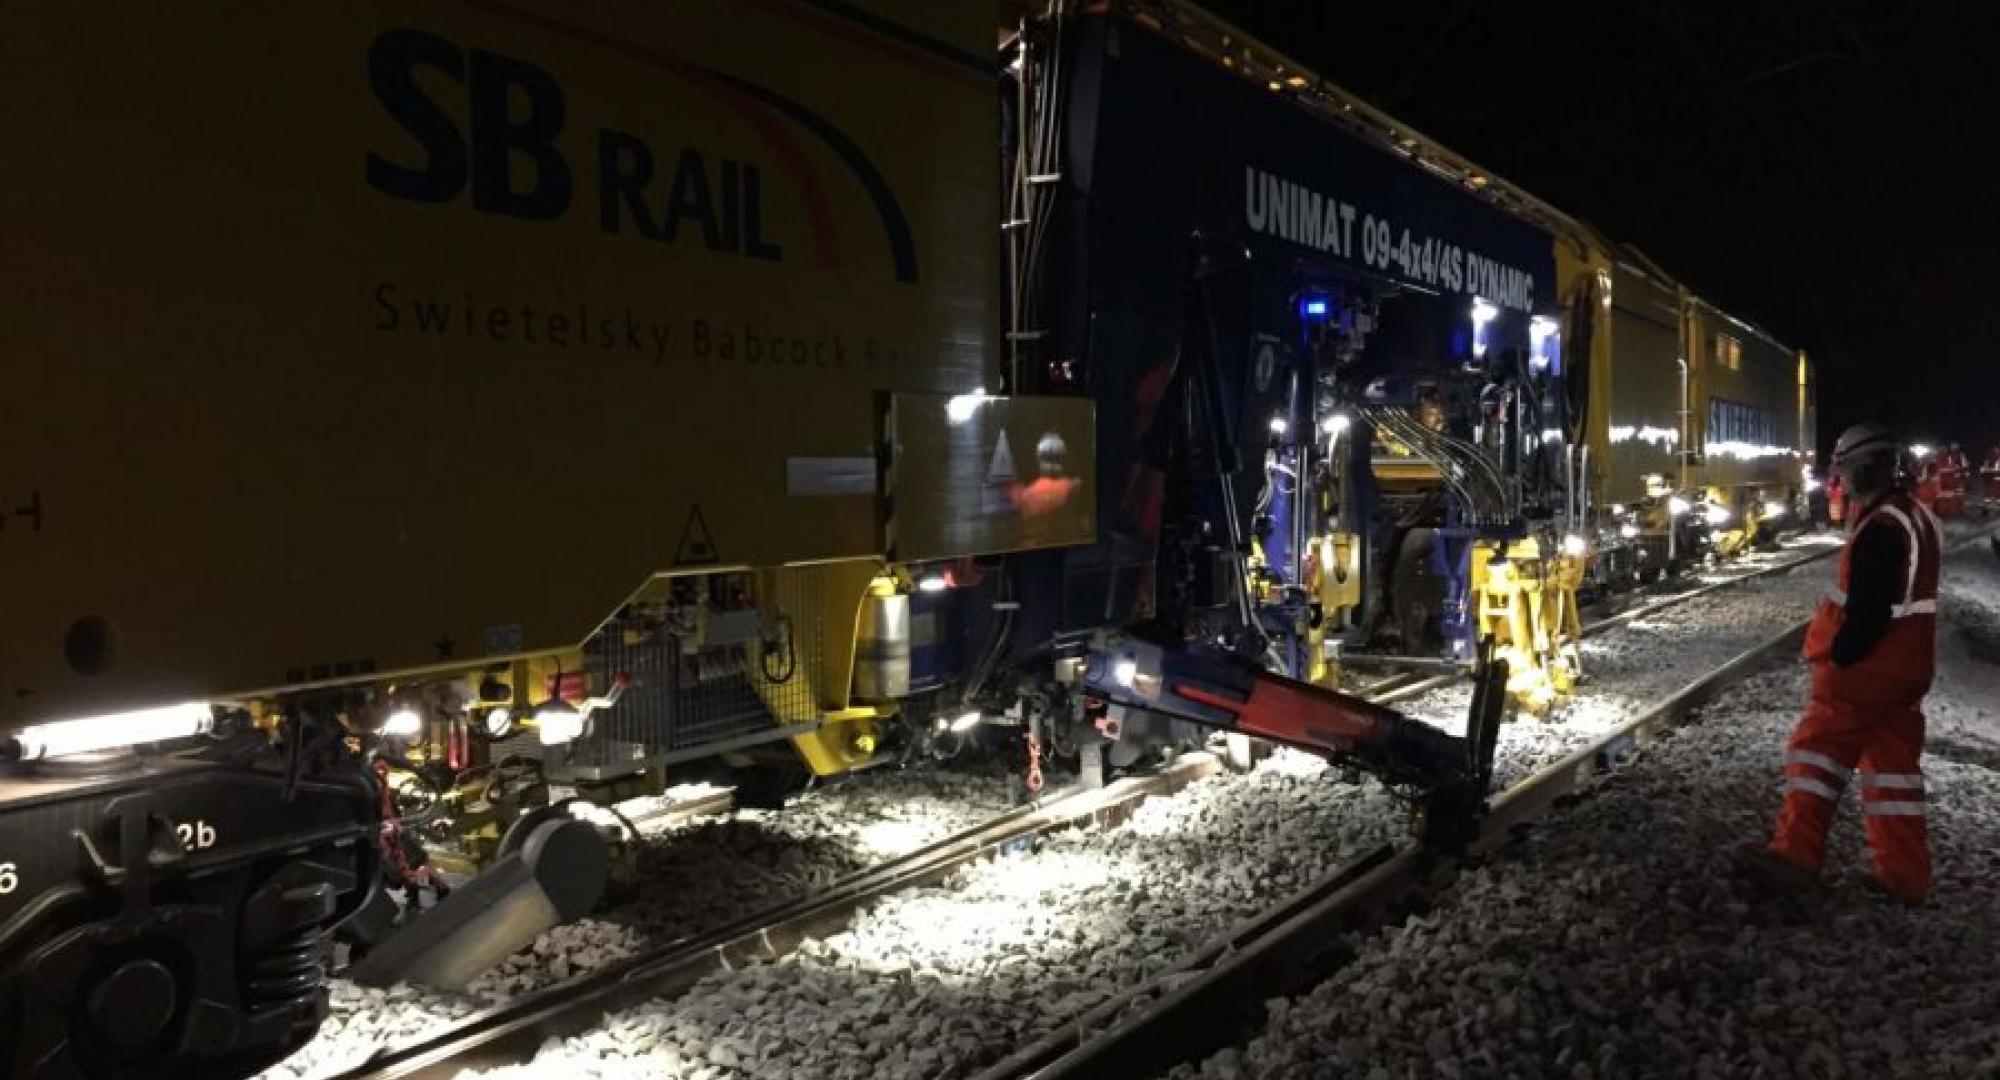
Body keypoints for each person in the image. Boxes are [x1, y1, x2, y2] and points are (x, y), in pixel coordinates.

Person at [1742, 422, 1944, 905]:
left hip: (1866, 671)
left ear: (1864, 467)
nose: (1843, 479)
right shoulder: (1915, 515)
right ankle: (1904, 877)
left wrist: (1842, 653)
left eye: (1846, 468)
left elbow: (1870, 607)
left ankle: (1794, 858)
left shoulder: (1881, 527)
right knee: (1893, 773)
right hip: (1907, 668)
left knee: (1815, 754)